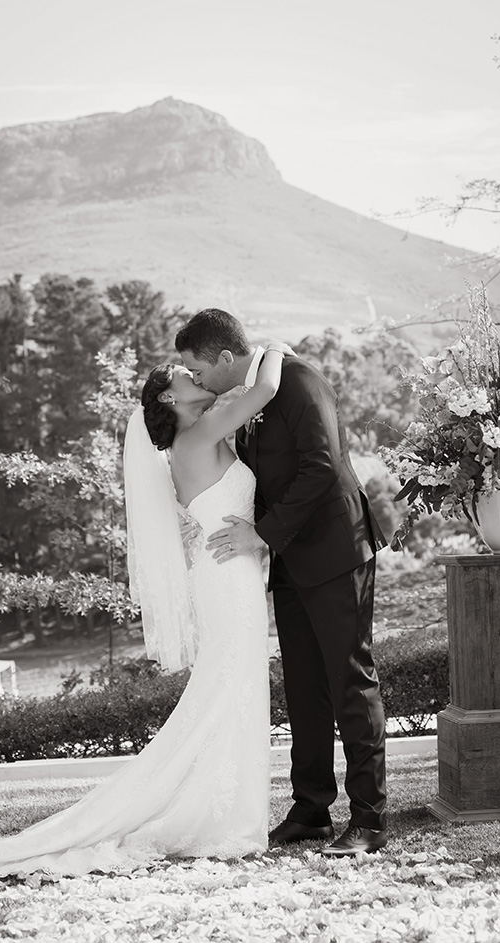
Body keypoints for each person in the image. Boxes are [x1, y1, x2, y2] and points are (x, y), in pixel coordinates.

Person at [0, 346, 288, 878]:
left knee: (233, 688)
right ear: (169, 397)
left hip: (228, 570)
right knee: (230, 687)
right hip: (226, 579)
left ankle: (229, 813)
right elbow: (264, 387)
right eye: (185, 373)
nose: (196, 375)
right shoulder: (195, 436)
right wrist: (274, 349)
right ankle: (222, 817)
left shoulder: (200, 435)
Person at [175, 308, 388, 857]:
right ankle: (311, 810)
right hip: (291, 563)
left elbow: (322, 464)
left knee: (350, 681)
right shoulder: (246, 400)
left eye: (198, 369)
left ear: (225, 356)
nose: (196, 380)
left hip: (338, 552)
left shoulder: (298, 380)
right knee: (304, 688)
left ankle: (369, 819)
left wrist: (261, 535)